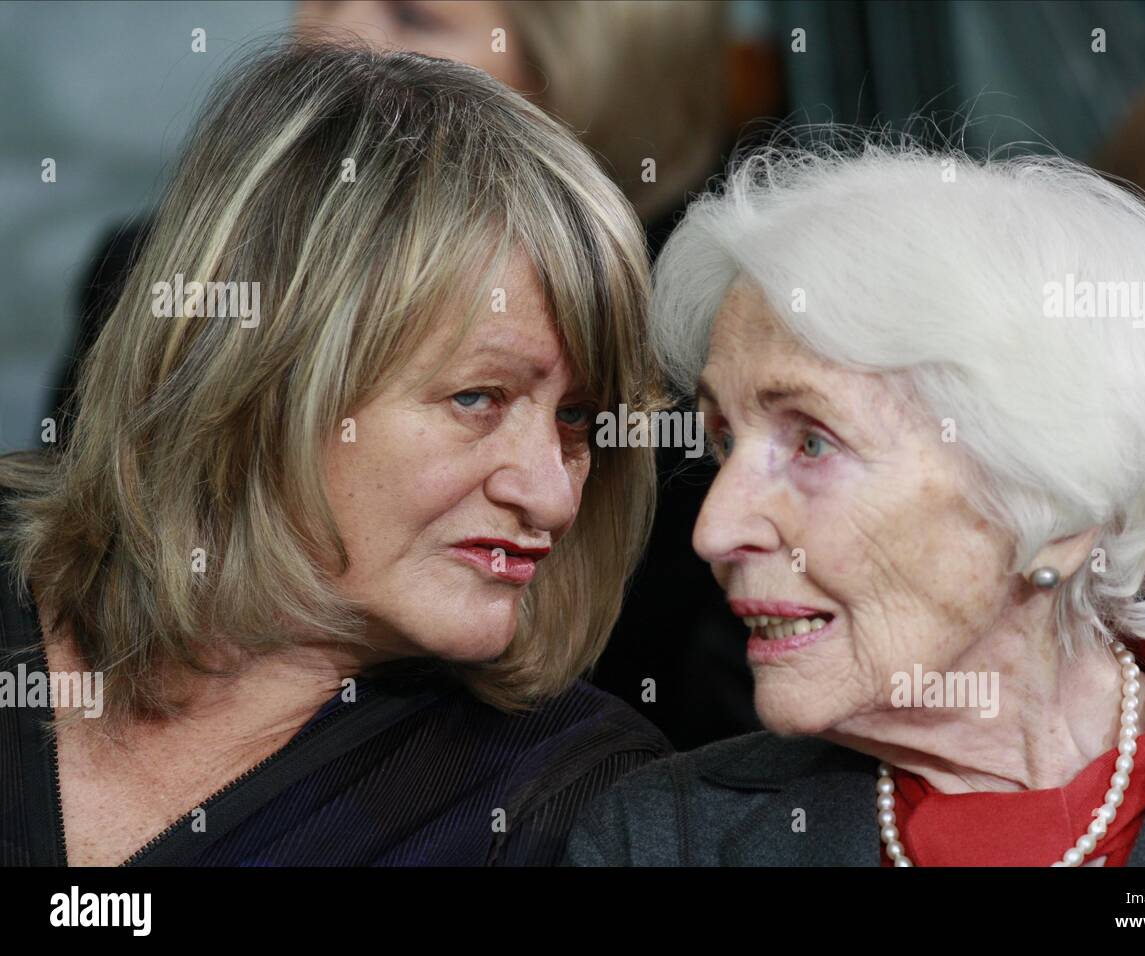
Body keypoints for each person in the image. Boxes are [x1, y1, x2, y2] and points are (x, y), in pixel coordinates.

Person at [0, 41, 669, 867]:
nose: (552, 496)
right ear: (264, 373)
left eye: (577, 418)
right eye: (477, 399)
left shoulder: (568, 803)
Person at [564, 138, 1145, 866]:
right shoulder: (662, 838)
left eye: (814, 444)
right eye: (725, 442)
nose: (717, 529)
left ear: (1058, 511)